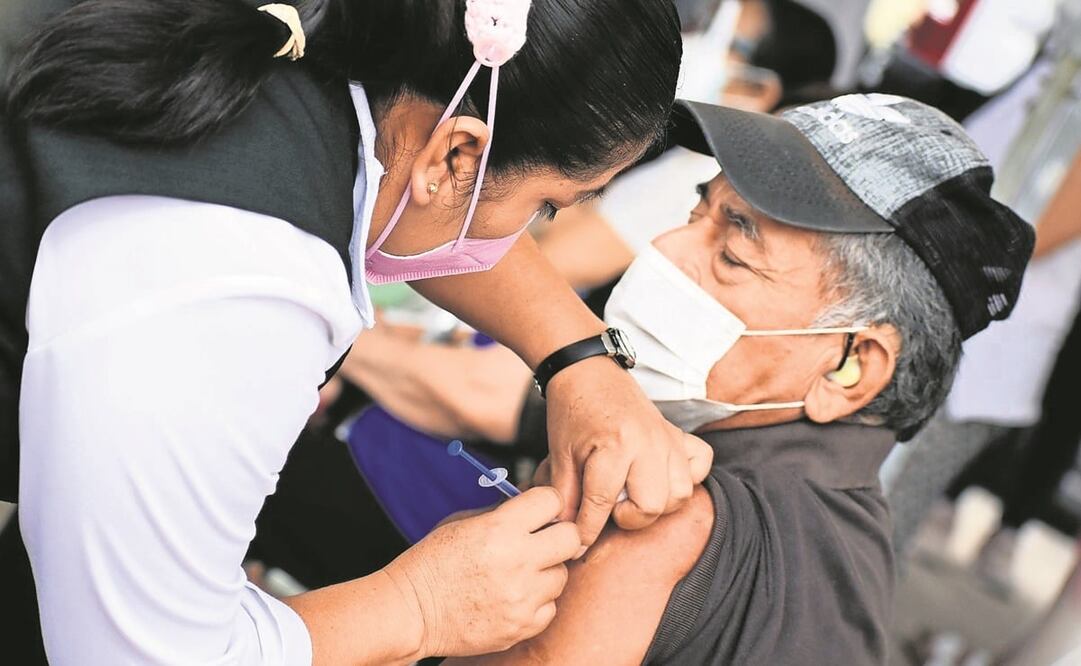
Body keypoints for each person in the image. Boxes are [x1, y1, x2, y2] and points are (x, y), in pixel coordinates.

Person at [0, 0, 714, 663]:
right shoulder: (238, 287)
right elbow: (136, 653)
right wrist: (419, 603)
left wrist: (580, 360)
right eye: (548, 207)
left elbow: (415, 199)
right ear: (455, 153)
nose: (524, 237)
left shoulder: (339, 51)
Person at [441, 94, 1035, 664]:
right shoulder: (853, 549)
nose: (666, 249)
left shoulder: (659, 518)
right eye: (696, 213)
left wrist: (422, 604)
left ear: (851, 369)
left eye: (733, 256)